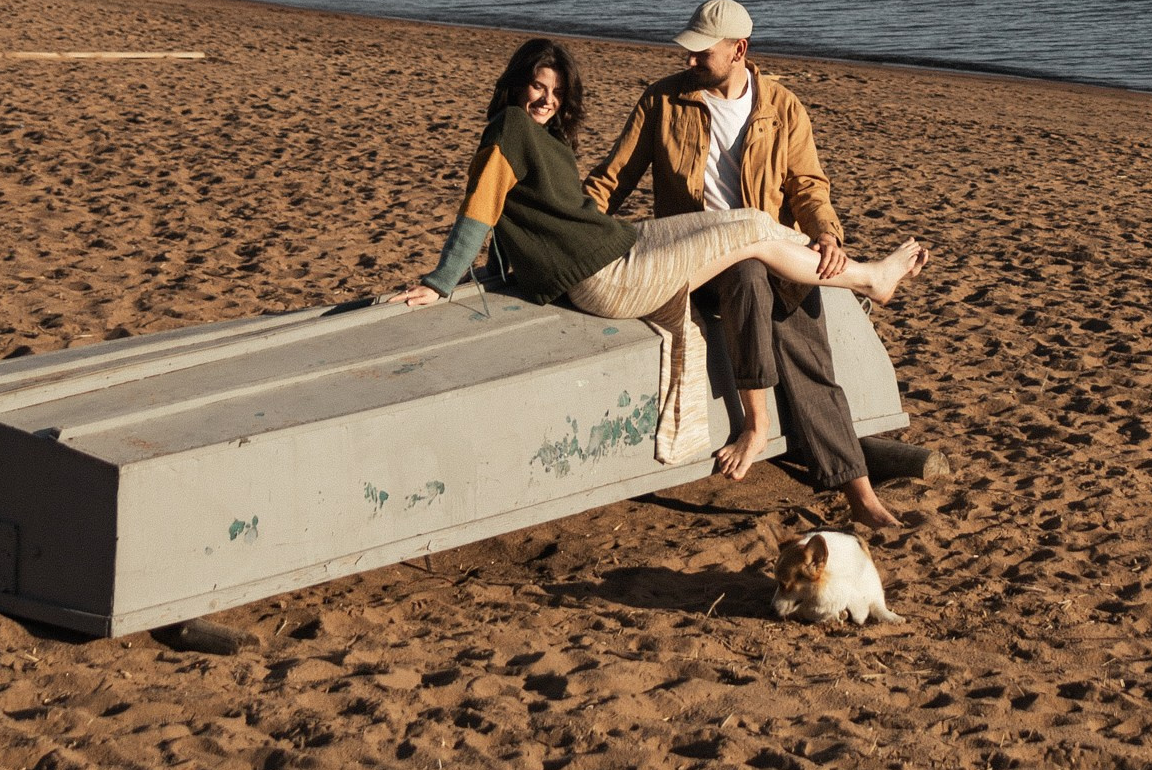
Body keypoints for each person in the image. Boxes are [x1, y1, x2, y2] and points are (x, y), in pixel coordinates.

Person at [387, 34, 926, 468]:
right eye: (536, 87)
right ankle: (869, 279)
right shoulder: (509, 127)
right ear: (515, 86)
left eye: (554, 91)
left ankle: (862, 278)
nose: (546, 99)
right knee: (755, 234)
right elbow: (480, 210)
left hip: (622, 243)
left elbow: (548, 216)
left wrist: (507, 267)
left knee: (754, 224)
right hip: (607, 276)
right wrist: (442, 281)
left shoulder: (545, 136)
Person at [584, 0, 902, 528]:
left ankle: (861, 495)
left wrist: (826, 234)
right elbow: (612, 179)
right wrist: (576, 229)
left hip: (778, 255)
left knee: (811, 362)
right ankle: (756, 425)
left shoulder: (781, 106)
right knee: (747, 271)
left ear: (739, 50)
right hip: (703, 264)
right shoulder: (663, 102)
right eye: (687, 52)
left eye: (701, 53)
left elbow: (807, 185)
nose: (688, 62)